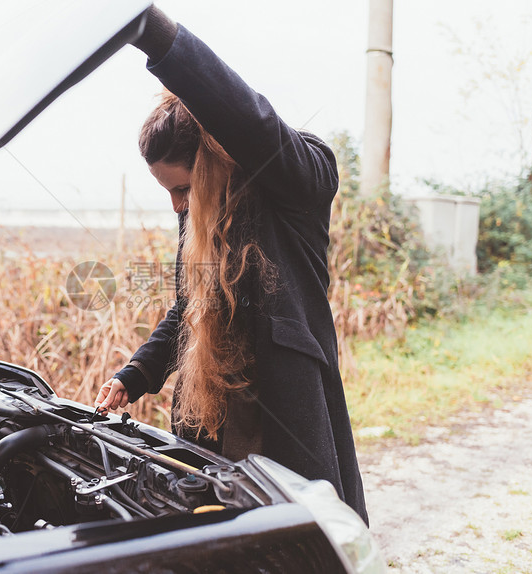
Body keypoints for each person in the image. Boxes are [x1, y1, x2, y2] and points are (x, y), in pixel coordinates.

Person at [93, 5, 368, 523]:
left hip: (281, 419)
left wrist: (156, 35)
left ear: (212, 158)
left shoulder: (299, 181)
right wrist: (136, 373)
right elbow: (187, 309)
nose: (177, 205)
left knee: (292, 540)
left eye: (181, 188)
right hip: (213, 423)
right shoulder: (198, 217)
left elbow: (252, 124)